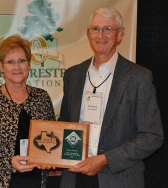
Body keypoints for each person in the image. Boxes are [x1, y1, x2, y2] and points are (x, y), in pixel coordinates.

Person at [58, 7, 164, 188]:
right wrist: (53, 153)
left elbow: (152, 136)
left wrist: (106, 159)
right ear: (88, 34)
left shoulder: (139, 77)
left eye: (108, 29)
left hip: (119, 178)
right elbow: (66, 121)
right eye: (95, 29)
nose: (101, 35)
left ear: (120, 34)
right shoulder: (73, 75)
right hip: (74, 176)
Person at [0, 34, 56, 188]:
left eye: (22, 61)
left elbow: (53, 138)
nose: (17, 67)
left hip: (36, 181)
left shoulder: (42, 98)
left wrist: (50, 158)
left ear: (29, 64)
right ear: (1, 67)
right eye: (10, 62)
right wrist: (8, 161)